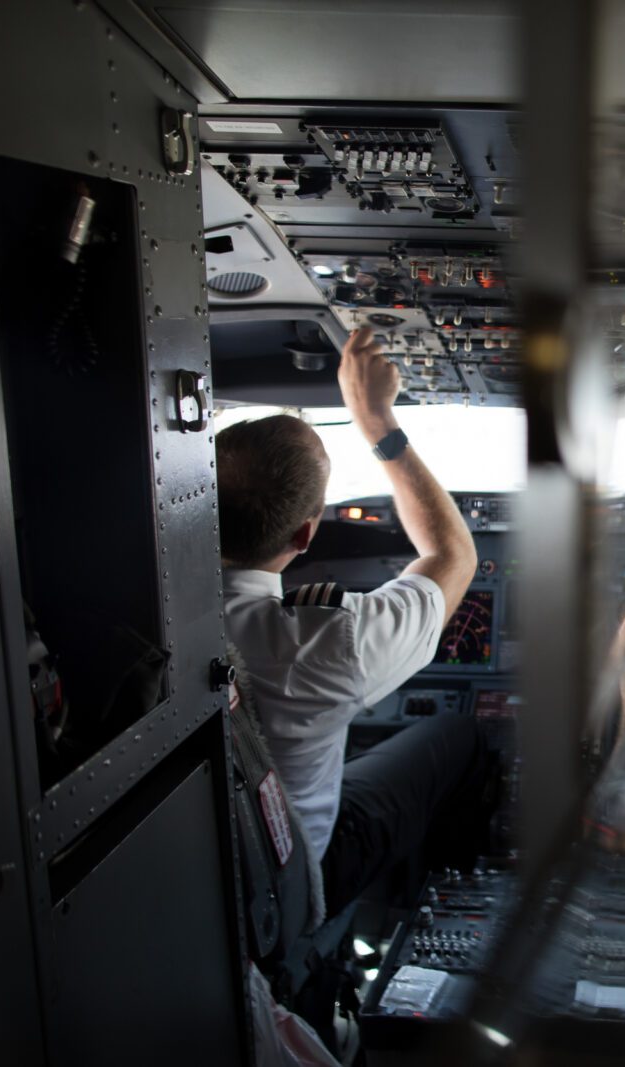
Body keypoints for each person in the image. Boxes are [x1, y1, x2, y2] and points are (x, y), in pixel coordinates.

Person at [216, 326, 485, 916]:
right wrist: (376, 423)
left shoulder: (145, 623)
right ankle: (452, 902)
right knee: (460, 735)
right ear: (306, 535)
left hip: (213, 878)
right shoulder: (323, 642)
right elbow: (455, 558)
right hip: (296, 881)